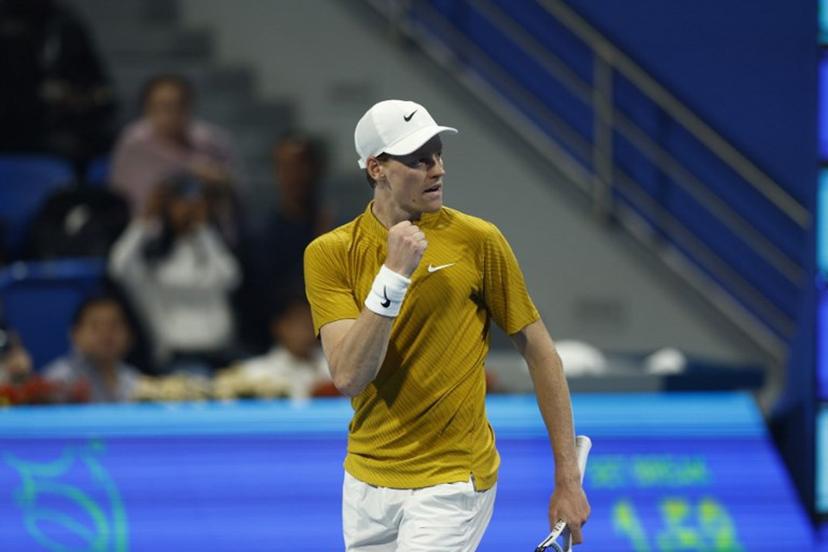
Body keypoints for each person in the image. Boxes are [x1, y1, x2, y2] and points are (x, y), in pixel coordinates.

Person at [304, 100, 590, 550]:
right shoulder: (329, 253)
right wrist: (394, 275)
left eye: (437, 155)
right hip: (365, 482)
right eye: (418, 160)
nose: (437, 169)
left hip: (453, 479)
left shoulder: (479, 240)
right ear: (377, 168)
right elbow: (349, 376)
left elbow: (541, 353)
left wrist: (567, 480)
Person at [109, 173, 241, 374]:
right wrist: (144, 220)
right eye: (179, 202)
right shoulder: (150, 257)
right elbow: (118, 267)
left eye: (195, 203)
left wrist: (203, 227)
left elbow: (232, 277)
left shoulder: (207, 247)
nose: (187, 209)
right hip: (179, 358)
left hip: (224, 353)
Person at [109, 74, 242, 246]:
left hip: (207, 233)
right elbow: (121, 197)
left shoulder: (212, 141)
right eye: (163, 107)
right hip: (150, 237)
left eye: (178, 105)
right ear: (147, 109)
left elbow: (234, 189)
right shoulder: (133, 144)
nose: (171, 114)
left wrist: (218, 181)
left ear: (190, 106)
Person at [237, 133, 333, 352]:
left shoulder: (341, 230)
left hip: (330, 346)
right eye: (285, 167)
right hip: (267, 349)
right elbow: (255, 300)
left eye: (301, 165)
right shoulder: (259, 236)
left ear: (317, 169)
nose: (295, 175)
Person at [0, 0, 116, 174]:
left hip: (65, 123)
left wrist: (76, 97)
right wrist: (38, 94)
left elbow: (98, 86)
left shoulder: (65, 22)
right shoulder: (7, 23)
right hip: (15, 124)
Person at [215, 289, 331, 400]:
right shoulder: (252, 374)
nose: (306, 330)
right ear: (278, 326)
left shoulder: (333, 369)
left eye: (311, 321)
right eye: (298, 323)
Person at [42, 295, 140, 403]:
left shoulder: (134, 379)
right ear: (75, 334)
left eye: (114, 326)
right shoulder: (57, 378)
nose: (106, 334)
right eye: (95, 326)